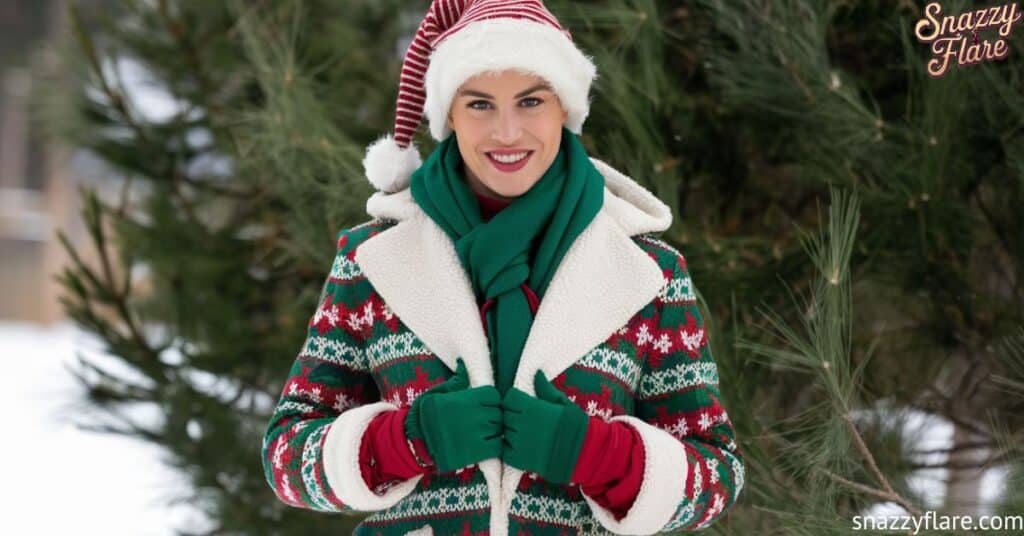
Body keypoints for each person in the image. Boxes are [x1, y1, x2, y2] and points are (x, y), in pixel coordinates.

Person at [260, 1, 744, 534]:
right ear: (448, 115)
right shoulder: (371, 260)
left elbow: (718, 474)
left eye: (531, 101)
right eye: (480, 104)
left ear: (566, 108)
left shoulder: (650, 272)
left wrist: (598, 455)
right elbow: (285, 457)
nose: (507, 132)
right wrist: (403, 442)